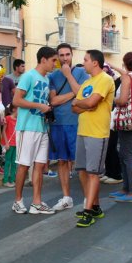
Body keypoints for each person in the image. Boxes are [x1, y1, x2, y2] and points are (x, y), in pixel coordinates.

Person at [72, 50, 115, 227]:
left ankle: (88, 211)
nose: (84, 63)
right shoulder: (87, 82)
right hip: (83, 131)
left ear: (95, 62)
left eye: (86, 60)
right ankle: (94, 206)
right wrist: (83, 104)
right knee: (82, 170)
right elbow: (74, 108)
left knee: (93, 172)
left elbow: (88, 103)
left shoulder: (105, 79)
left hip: (98, 133)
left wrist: (82, 103)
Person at [12, 46, 57, 214]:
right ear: (43, 59)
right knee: (23, 165)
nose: (55, 64)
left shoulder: (46, 79)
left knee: (39, 166)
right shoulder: (28, 76)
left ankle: (36, 202)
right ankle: (18, 201)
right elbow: (16, 100)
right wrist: (39, 105)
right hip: (27, 127)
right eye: (53, 61)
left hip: (42, 127)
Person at [48, 43, 88, 210]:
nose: (65, 58)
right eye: (61, 55)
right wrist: (74, 93)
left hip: (77, 123)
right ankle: (66, 197)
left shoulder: (82, 73)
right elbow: (53, 101)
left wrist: (68, 77)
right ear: (57, 57)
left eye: (67, 55)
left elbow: (84, 94)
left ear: (72, 55)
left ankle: (88, 198)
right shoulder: (53, 76)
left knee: (80, 163)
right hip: (58, 123)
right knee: (62, 161)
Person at [110, 52, 132, 203]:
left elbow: (123, 100)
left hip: (126, 119)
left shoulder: (126, 78)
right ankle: (127, 188)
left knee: (128, 155)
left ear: (125, 63)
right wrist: (115, 67)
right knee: (125, 154)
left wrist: (112, 98)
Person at [1, 104, 18, 187]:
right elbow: (3, 131)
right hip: (9, 143)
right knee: (8, 162)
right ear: (14, 109)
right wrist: (6, 143)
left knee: (14, 162)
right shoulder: (7, 118)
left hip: (16, 143)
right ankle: (5, 180)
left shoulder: (19, 120)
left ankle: (12, 179)